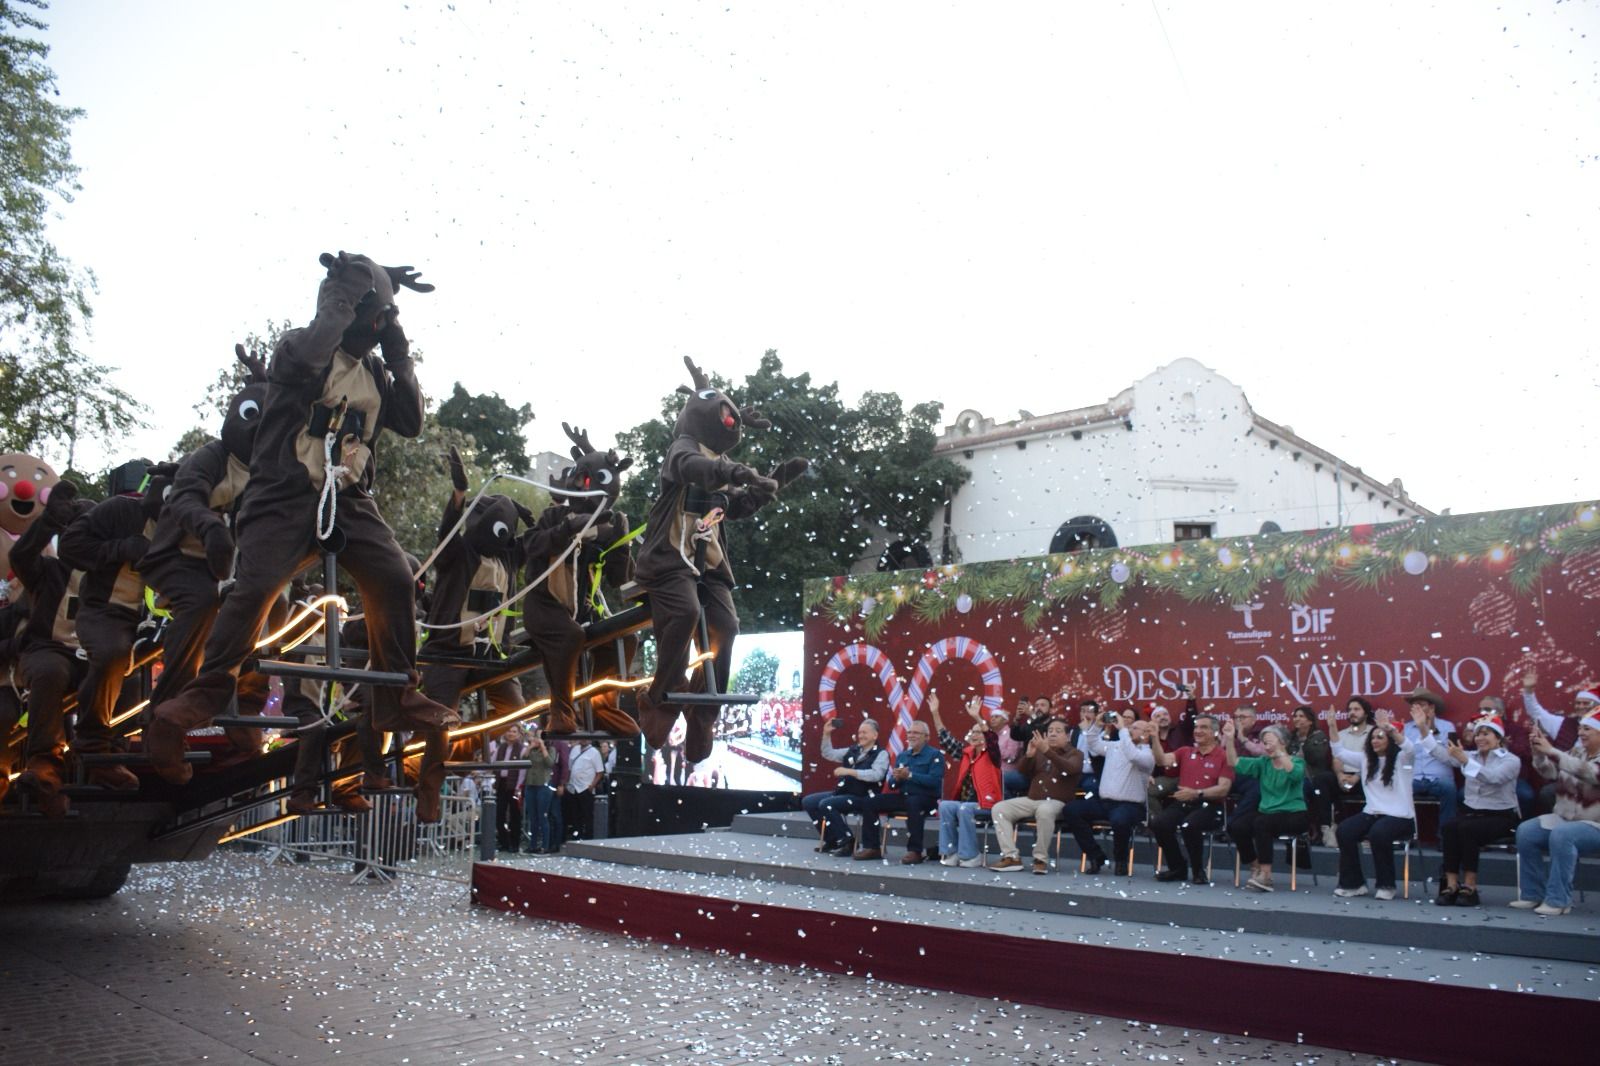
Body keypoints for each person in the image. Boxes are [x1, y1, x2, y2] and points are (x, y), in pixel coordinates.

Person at [144, 254, 461, 821]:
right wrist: (344, 292)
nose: (376, 324)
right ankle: (206, 691)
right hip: (283, 497)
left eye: (382, 317)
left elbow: (411, 421)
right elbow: (317, 348)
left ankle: (395, 693)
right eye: (371, 314)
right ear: (344, 308)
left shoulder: (376, 374)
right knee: (257, 585)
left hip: (349, 499)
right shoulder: (297, 348)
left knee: (394, 577)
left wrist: (398, 351)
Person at [1424, 713, 1520, 906]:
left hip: (1502, 816)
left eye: (1486, 734)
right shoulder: (1471, 756)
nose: (1480, 738)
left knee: (1467, 829)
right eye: (1477, 734)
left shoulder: (1510, 760)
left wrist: (1466, 761)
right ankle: (1451, 884)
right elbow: (1441, 753)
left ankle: (1470, 886)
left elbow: (1494, 778)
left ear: (1498, 738)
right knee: (1449, 827)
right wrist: (1422, 727)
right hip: (1473, 814)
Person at [1511, 708, 1600, 916]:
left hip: (1595, 824)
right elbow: (1549, 772)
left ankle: (1559, 900)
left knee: (1563, 834)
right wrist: (1539, 753)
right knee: (1527, 831)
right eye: (1580, 728)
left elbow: (1590, 773)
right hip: (1566, 819)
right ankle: (1532, 894)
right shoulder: (1576, 752)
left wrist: (1551, 751)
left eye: (1587, 729)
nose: (1581, 733)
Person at [1325, 709, 1414, 900]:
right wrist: (1332, 727)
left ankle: (1386, 885)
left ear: (1390, 740)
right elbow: (1339, 752)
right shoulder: (1366, 759)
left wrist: (1390, 728)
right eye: (1373, 737)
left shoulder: (1402, 759)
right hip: (1372, 813)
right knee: (1345, 831)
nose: (1375, 741)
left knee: (1378, 833)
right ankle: (1353, 884)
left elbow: (1409, 748)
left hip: (1400, 816)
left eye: (1380, 737)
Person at [1063, 707, 1155, 875]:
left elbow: (1132, 755)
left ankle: (1120, 860)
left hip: (1130, 806)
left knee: (1120, 820)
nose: (1130, 729)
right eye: (1131, 727)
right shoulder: (1115, 746)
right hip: (1104, 802)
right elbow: (1093, 744)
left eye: (1136, 728)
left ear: (1146, 734)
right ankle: (1095, 856)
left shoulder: (1147, 754)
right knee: (1071, 810)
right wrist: (1097, 725)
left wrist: (1122, 730)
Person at [1221, 719, 1308, 892]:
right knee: (1237, 825)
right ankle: (1255, 866)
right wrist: (1230, 740)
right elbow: (1234, 763)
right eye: (1264, 743)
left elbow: (1295, 775)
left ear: (1282, 742)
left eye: (1269, 742)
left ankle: (1266, 875)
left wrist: (1280, 754)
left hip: (1293, 813)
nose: (1266, 746)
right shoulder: (1263, 762)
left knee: (1262, 823)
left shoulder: (1297, 762)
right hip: (1268, 812)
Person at [992, 718, 1083, 874]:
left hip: (1057, 802)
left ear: (1068, 736)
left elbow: (1069, 768)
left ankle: (1040, 859)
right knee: (999, 808)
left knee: (1045, 810)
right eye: (1050, 731)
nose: (1052, 734)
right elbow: (1022, 772)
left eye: (1058, 731)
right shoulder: (1041, 752)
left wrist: (1047, 751)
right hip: (1032, 800)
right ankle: (1011, 857)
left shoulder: (1075, 754)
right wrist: (1029, 756)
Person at [1148, 714, 1232, 885]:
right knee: (1159, 823)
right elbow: (1162, 760)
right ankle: (1177, 868)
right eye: (1196, 727)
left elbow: (1223, 789)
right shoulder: (1185, 751)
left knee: (1190, 825)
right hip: (1184, 802)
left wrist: (1197, 793)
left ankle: (1197, 870)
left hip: (1210, 805)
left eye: (1203, 727)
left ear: (1215, 732)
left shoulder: (1224, 756)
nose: (1198, 731)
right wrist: (1155, 738)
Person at [855, 717, 944, 863]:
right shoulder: (903, 756)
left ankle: (915, 851)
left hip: (926, 798)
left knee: (914, 803)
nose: (911, 736)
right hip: (904, 796)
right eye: (909, 732)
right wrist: (896, 779)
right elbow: (891, 785)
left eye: (916, 733)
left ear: (926, 737)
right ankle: (872, 847)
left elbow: (935, 782)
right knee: (869, 801)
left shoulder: (935, 755)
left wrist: (910, 775)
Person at [933, 695, 1003, 868]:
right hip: (966, 803)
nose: (975, 734)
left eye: (979, 732)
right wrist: (935, 712)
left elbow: (992, 739)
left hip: (987, 803)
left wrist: (977, 717)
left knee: (964, 808)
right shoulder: (967, 753)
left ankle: (971, 855)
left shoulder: (993, 754)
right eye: (973, 732)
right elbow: (945, 739)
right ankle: (951, 852)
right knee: (945, 806)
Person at [801, 718, 888, 856]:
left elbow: (877, 775)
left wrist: (850, 772)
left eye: (865, 733)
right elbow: (828, 754)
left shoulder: (881, 754)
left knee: (827, 804)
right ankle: (833, 839)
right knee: (809, 802)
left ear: (875, 735)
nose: (861, 736)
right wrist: (826, 734)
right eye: (860, 733)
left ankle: (848, 841)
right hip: (844, 792)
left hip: (863, 797)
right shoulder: (853, 750)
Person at [1403, 689, 1459, 828]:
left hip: (1439, 779)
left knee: (1449, 788)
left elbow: (1453, 758)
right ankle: (1406, 832)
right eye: (1414, 705)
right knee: (1399, 787)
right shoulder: (1406, 729)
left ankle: (1446, 834)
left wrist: (1431, 730)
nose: (1417, 709)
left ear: (1432, 707)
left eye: (1421, 705)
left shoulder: (1448, 727)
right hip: (1414, 778)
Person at [1286, 705, 1337, 846]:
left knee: (1303, 789)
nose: (1297, 719)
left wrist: (1304, 744)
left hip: (1313, 778)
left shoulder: (1318, 736)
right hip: (1294, 777)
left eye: (1301, 716)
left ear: (1310, 721)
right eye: (1295, 716)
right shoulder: (1291, 738)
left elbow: (1317, 758)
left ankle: (1313, 830)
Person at [519, 726, 562, 853]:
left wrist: (543, 747)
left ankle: (545, 845)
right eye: (536, 736)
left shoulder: (551, 749)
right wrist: (529, 747)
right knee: (533, 817)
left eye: (540, 736)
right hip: (530, 785)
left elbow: (550, 763)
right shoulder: (532, 750)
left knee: (543, 816)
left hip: (543, 786)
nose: (538, 738)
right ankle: (533, 845)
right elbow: (523, 760)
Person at [490, 724, 528, 853]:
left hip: (515, 786)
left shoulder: (522, 749)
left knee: (515, 815)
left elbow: (522, 771)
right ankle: (503, 842)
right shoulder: (501, 748)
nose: (511, 734)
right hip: (501, 784)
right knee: (499, 814)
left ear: (518, 734)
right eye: (509, 731)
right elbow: (492, 763)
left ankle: (514, 844)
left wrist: (518, 787)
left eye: (514, 731)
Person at [1333, 697, 1376, 801]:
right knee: (1322, 780)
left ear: (1366, 713)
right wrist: (1340, 776)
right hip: (1344, 776)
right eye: (1350, 710)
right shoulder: (1340, 735)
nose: (1352, 712)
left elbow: (1373, 759)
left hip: (1365, 775)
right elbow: (1336, 759)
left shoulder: (1374, 733)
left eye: (1356, 709)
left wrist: (1357, 777)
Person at [565, 739, 605, 840]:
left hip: (585, 788)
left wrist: (592, 786)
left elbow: (600, 772)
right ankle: (576, 836)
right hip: (573, 787)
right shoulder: (575, 749)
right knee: (575, 815)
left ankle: (588, 838)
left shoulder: (595, 752)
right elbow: (570, 768)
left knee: (587, 815)